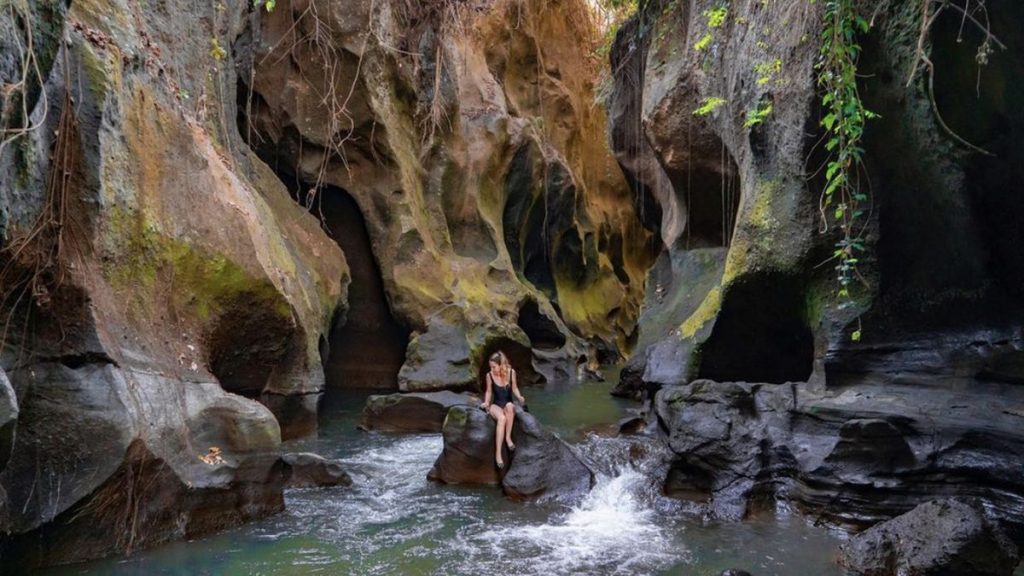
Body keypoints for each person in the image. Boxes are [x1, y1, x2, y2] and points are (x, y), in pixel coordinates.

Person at [479, 350, 525, 469]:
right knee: (502, 418)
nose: (492, 369)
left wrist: (519, 396)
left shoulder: (511, 373)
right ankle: (498, 454)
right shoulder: (489, 375)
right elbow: (489, 391)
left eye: (494, 366)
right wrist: (486, 402)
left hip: (507, 403)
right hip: (496, 405)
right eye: (491, 367)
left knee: (510, 407)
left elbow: (514, 388)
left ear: (501, 365)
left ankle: (508, 438)